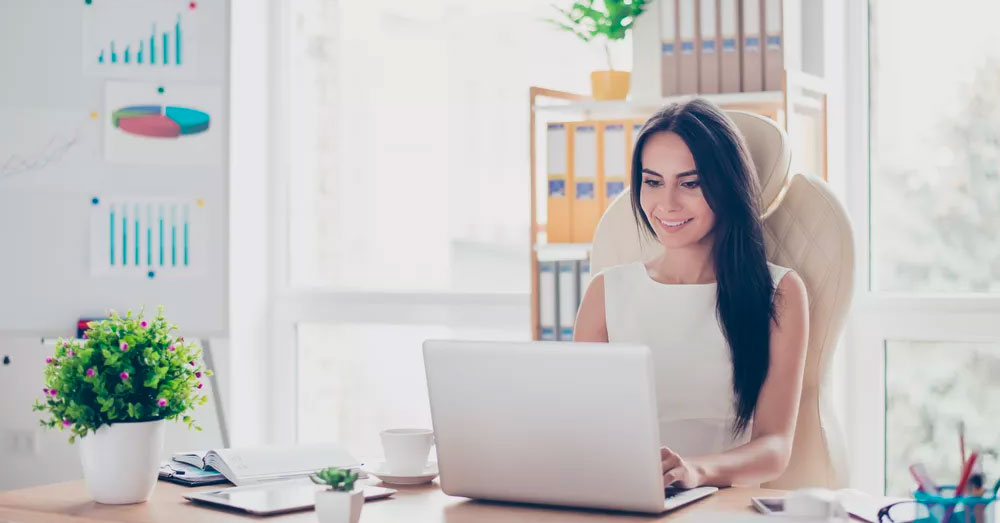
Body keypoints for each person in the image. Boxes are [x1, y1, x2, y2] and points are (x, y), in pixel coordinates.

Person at [574, 98, 809, 488]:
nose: (666, 204)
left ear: (727, 186)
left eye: (690, 183)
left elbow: (775, 447)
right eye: (652, 182)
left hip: (715, 505)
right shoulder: (606, 291)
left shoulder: (779, 292)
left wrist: (696, 471)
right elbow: (579, 425)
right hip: (619, 500)